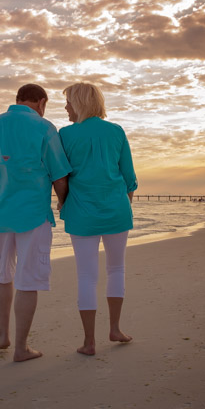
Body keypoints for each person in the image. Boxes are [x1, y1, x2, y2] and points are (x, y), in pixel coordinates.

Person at [0, 84, 71, 362]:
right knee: (28, 279)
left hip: (0, 215)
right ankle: (22, 348)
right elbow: (59, 175)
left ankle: (3, 335)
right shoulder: (44, 127)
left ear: (17, 100)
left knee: (2, 274)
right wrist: (63, 203)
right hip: (34, 215)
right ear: (41, 102)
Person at [58, 82, 137, 356]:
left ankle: (89, 342)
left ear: (78, 103)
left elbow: (61, 176)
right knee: (116, 269)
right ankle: (115, 329)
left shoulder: (65, 135)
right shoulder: (115, 131)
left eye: (68, 102)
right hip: (116, 209)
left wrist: (61, 202)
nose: (66, 107)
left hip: (81, 213)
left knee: (86, 276)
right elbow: (129, 177)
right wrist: (121, 203)